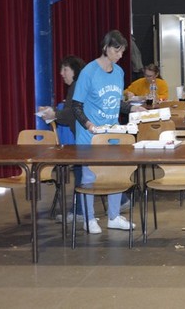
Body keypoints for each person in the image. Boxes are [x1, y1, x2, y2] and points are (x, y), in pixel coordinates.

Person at [72, 30, 141, 234]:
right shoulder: (89, 72)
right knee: (89, 176)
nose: (120, 55)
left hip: (112, 133)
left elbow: (116, 102)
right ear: (105, 48)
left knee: (115, 174)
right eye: (116, 51)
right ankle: (89, 219)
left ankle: (113, 217)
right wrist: (89, 125)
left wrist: (133, 108)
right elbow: (76, 105)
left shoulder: (118, 72)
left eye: (122, 51)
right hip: (90, 135)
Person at [39, 55, 86, 223]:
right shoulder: (78, 85)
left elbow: (71, 114)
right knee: (83, 170)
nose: (61, 73)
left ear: (75, 71)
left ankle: (79, 212)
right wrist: (54, 112)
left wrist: (54, 114)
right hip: (84, 136)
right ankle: (122, 200)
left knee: (81, 170)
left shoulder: (76, 86)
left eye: (65, 69)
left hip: (84, 137)